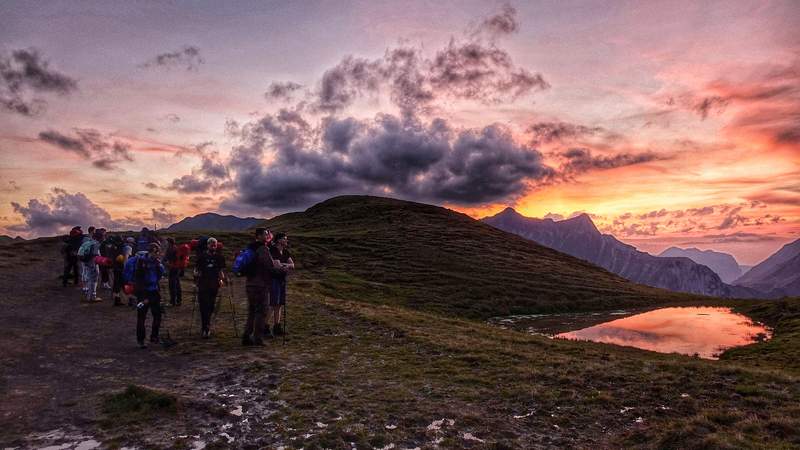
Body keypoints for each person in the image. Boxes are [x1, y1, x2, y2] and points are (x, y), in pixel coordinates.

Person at [126, 242, 165, 349]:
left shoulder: (156, 263)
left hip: (154, 291)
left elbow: (160, 275)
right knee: (142, 316)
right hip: (144, 293)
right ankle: (141, 340)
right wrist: (143, 297)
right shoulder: (142, 263)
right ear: (153, 252)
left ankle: (154, 336)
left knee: (157, 315)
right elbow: (139, 280)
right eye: (157, 253)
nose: (158, 255)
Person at [242, 228, 275, 346]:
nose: (268, 236)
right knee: (262, 311)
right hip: (261, 285)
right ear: (259, 236)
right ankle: (258, 338)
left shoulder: (249, 247)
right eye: (266, 234)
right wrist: (281, 269)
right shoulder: (262, 248)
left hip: (250, 283)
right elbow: (270, 266)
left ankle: (246, 336)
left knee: (252, 311)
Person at [194, 237, 226, 338]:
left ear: (216, 246)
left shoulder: (219, 257)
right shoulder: (201, 257)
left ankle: (206, 326)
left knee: (211, 306)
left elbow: (221, 271)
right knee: (204, 307)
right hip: (203, 285)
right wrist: (196, 280)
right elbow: (196, 271)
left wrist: (223, 279)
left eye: (214, 245)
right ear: (207, 245)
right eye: (211, 244)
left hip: (214, 285)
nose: (213, 246)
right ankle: (205, 328)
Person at [268, 232, 294, 336]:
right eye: (284, 239)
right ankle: (264, 327)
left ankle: (277, 327)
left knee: (279, 304)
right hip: (273, 279)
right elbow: (276, 265)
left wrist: (284, 265)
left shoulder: (286, 251)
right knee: (273, 303)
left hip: (281, 280)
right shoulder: (273, 250)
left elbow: (293, 265)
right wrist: (286, 266)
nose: (286, 240)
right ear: (278, 240)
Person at [78, 229, 102, 302]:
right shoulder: (96, 244)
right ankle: (92, 297)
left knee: (89, 278)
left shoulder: (89, 242)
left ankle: (89, 296)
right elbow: (94, 255)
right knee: (93, 279)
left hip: (86, 262)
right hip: (92, 263)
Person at [112, 236, 132, 306]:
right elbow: (126, 259)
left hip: (115, 267)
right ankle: (130, 300)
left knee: (117, 284)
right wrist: (125, 269)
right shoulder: (127, 248)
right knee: (127, 284)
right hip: (122, 268)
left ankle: (117, 300)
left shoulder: (114, 247)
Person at [163, 237, 183, 306]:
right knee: (177, 284)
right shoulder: (176, 248)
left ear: (169, 242)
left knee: (172, 285)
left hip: (172, 268)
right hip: (177, 268)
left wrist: (167, 263)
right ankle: (179, 300)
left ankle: (172, 301)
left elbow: (166, 258)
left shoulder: (170, 249)